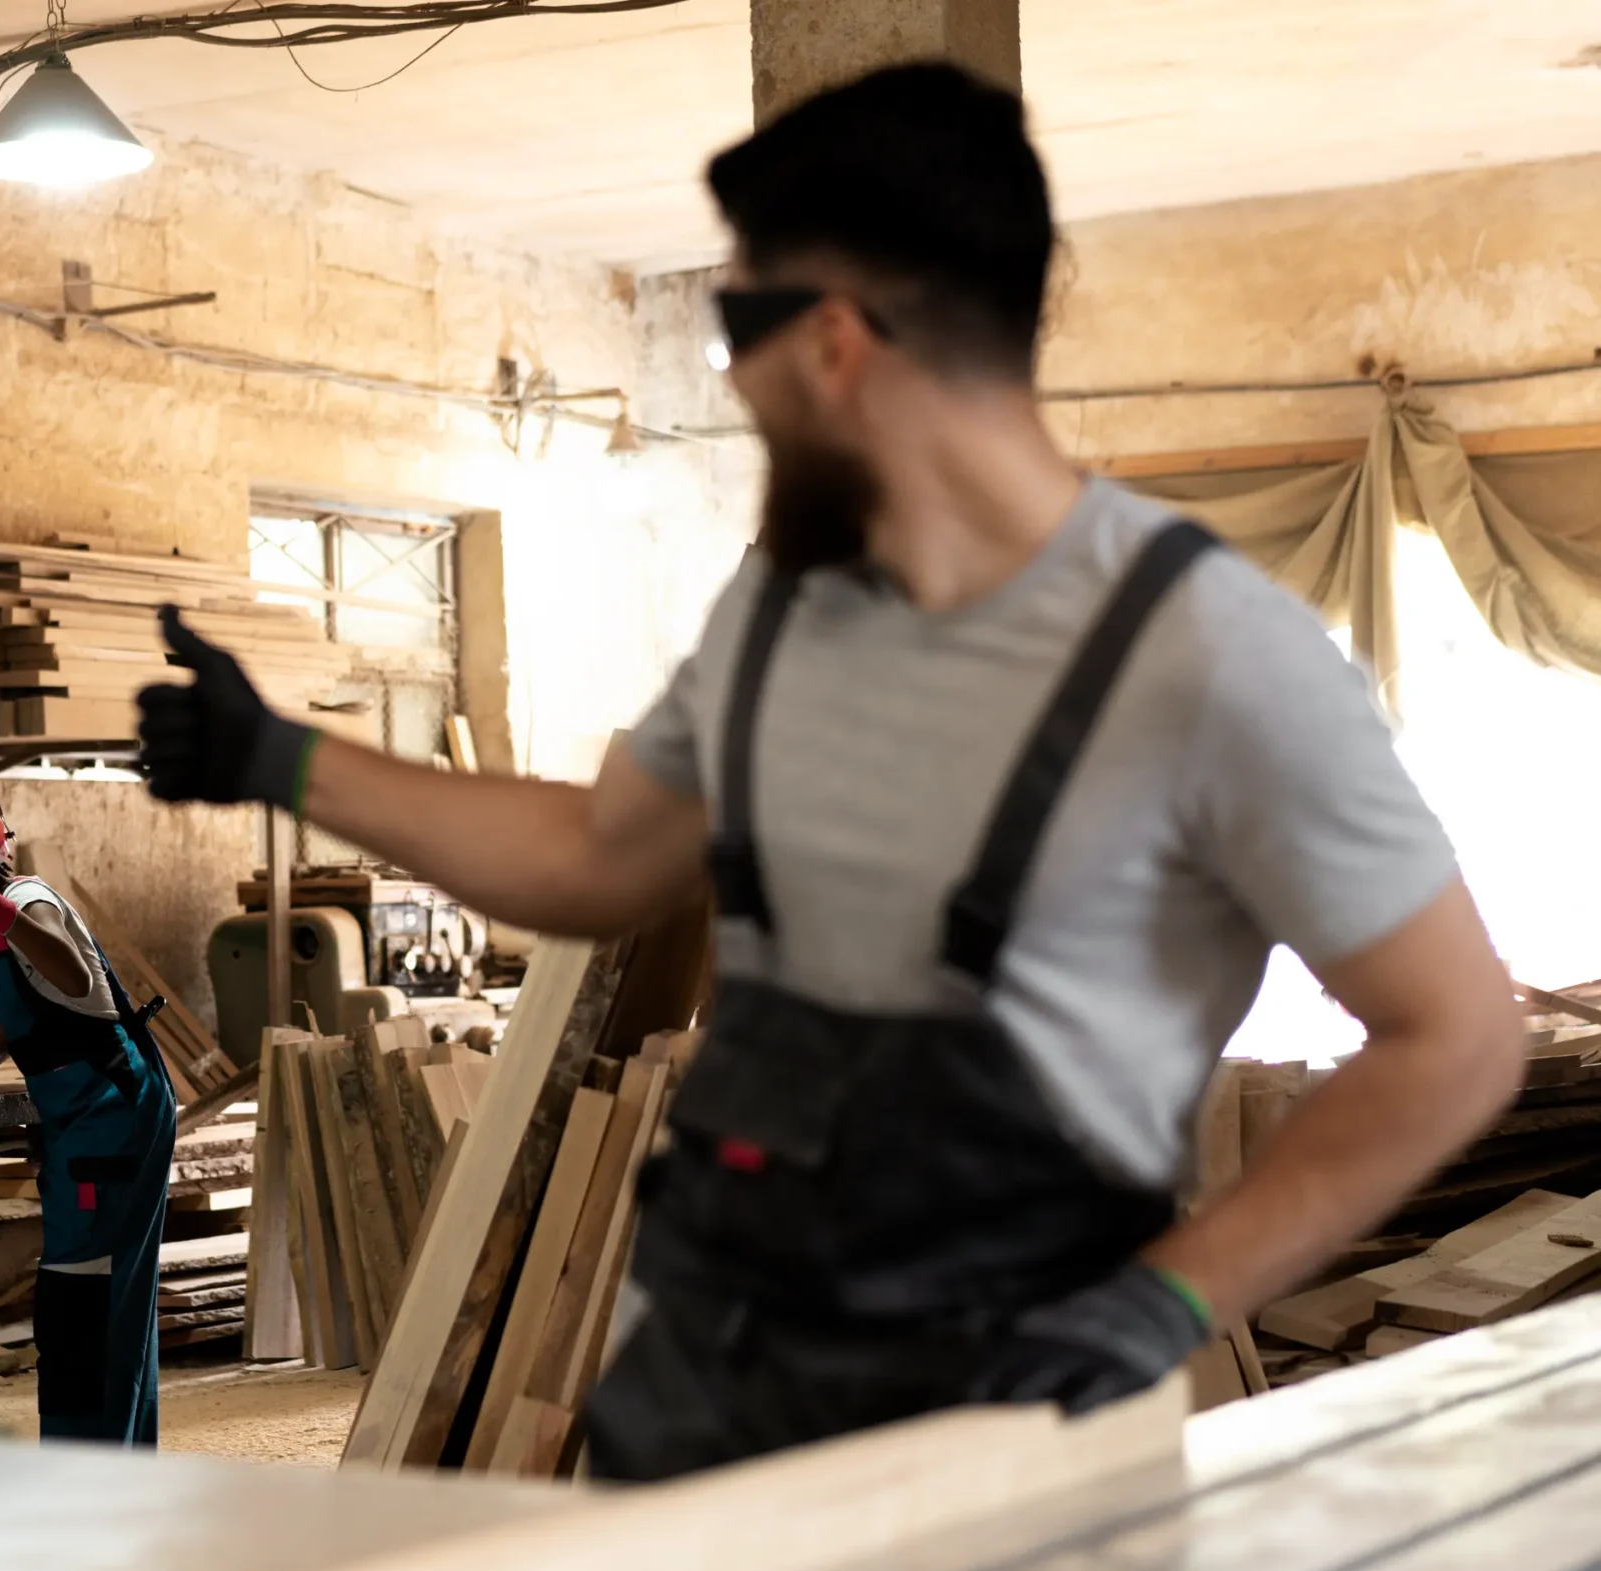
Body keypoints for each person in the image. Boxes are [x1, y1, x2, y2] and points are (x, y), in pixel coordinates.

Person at [130, 62, 1524, 1479]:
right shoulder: (784, 613)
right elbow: (601, 854)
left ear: (838, 341)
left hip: (1011, 1435)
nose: (730, 374)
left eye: (742, 322)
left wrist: (1172, 1291)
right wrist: (283, 756)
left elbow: (1456, 1034)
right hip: (707, 1376)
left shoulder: (1208, 653)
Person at [0, 776, 176, 1445]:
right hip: (85, 1117)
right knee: (115, 1297)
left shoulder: (23, 899)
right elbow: (44, 1003)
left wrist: (3, 910)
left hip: (113, 1114)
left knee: (84, 1299)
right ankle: (122, 1461)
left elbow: (75, 973)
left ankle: (86, 1467)